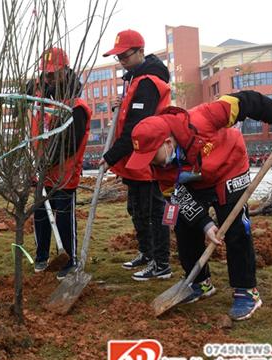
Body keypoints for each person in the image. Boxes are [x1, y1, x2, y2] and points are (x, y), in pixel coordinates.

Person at [125, 90, 272, 321]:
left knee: (236, 228)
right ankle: (200, 283)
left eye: (151, 155)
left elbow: (247, 101)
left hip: (229, 167)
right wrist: (204, 223)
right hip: (195, 180)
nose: (149, 162)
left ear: (167, 143)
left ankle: (246, 290)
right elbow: (175, 197)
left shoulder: (204, 118)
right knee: (183, 223)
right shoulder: (160, 166)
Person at [99, 29, 172, 281]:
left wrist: (111, 155)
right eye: (117, 57)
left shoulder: (149, 82)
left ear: (140, 51)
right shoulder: (133, 79)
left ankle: (161, 263)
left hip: (147, 156)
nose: (121, 61)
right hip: (134, 158)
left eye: (125, 56)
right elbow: (130, 114)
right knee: (136, 209)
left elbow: (136, 126)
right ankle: (146, 252)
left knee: (153, 212)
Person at [29, 47, 92, 280]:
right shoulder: (40, 100)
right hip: (40, 171)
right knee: (41, 214)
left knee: (64, 216)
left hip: (63, 173)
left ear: (65, 71)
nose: (48, 79)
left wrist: (46, 162)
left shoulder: (75, 107)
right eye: (45, 75)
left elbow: (69, 146)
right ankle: (42, 256)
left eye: (53, 74)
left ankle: (69, 261)